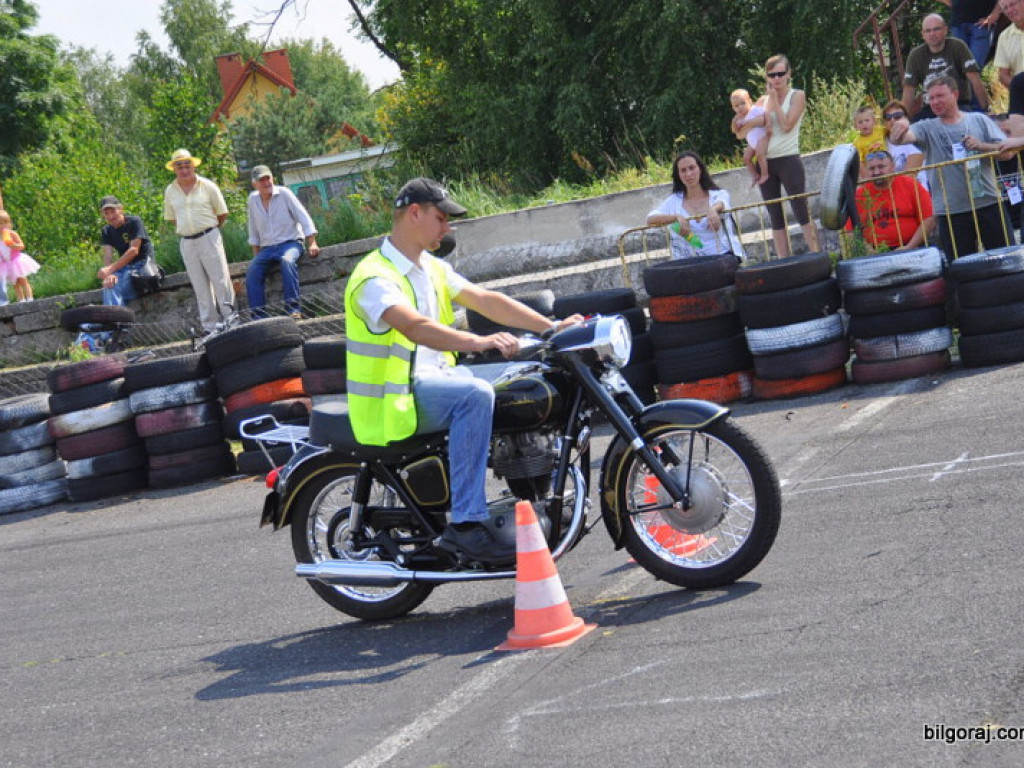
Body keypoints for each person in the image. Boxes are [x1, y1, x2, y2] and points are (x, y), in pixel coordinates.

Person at [344, 177, 582, 565]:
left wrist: (550, 327)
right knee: (475, 398)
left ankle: (533, 491)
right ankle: (468, 525)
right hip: (395, 401)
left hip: (435, 381)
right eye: (441, 218)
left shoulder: (430, 268)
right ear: (414, 214)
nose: (447, 227)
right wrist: (478, 342)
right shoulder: (374, 276)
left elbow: (486, 300)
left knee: (522, 380)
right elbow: (414, 326)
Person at [889, 75, 1012, 261]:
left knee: (1007, 261)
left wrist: (981, 146)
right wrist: (902, 125)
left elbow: (1007, 153)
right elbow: (902, 139)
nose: (935, 102)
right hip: (951, 211)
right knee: (960, 269)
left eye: (940, 96)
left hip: (989, 203)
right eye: (931, 98)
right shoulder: (926, 127)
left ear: (955, 94)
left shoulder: (979, 120)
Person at [162, 148, 236, 336]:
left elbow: (222, 213)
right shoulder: (170, 191)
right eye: (179, 166)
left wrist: (207, 229)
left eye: (187, 165)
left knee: (221, 280)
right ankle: (210, 327)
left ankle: (232, 321)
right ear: (174, 169)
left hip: (209, 236)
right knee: (199, 285)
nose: (184, 169)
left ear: (193, 166)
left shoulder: (208, 185)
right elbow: (172, 218)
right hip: (187, 242)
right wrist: (190, 229)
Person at [758, 54, 821, 259]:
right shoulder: (761, 100)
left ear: (788, 74)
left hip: (788, 157)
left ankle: (816, 255)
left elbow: (786, 125)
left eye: (780, 74)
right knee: (774, 215)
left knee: (800, 209)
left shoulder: (797, 96)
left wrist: (775, 102)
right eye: (772, 75)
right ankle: (783, 261)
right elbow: (747, 131)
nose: (776, 79)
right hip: (766, 161)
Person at [245, 165, 320, 320]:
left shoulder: (284, 194)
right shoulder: (252, 200)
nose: (266, 182)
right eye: (262, 180)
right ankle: (258, 317)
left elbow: (303, 217)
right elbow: (253, 229)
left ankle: (293, 310)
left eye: (268, 178)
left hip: (291, 243)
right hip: (267, 249)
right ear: (255, 184)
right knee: (252, 270)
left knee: (287, 261)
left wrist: (312, 242)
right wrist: (256, 257)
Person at [646, 151, 744, 260]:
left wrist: (713, 210)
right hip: (691, 262)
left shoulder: (717, 195)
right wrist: (675, 218)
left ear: (700, 169)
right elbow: (651, 219)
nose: (688, 174)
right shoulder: (674, 201)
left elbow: (723, 202)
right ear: (678, 175)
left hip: (724, 256)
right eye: (683, 170)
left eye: (692, 168)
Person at [902, 14, 990, 120]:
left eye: (936, 29)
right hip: (930, 109)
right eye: (928, 31)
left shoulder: (957, 46)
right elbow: (909, 91)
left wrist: (986, 110)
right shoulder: (916, 55)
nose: (932, 34)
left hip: (958, 106)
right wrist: (903, 119)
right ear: (923, 34)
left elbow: (975, 80)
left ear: (945, 30)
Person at [847, 150, 936, 251]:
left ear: (892, 167)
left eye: (881, 167)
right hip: (875, 253)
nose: (876, 172)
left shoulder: (910, 185)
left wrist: (910, 246)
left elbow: (929, 218)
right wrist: (868, 251)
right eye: (872, 168)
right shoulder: (859, 195)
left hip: (913, 247)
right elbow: (850, 231)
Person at [97, 196, 155, 306]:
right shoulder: (106, 231)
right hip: (125, 268)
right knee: (110, 283)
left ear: (121, 209)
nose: (110, 216)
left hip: (142, 266)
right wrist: (109, 275)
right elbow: (107, 255)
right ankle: (115, 319)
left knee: (117, 287)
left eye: (113, 211)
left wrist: (110, 269)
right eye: (106, 213)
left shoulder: (134, 222)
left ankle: (114, 318)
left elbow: (134, 250)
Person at [939, 0, 1002, 69]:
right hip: (958, 25)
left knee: (974, 67)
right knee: (957, 66)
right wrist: (953, 3)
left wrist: (995, 14)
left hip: (981, 25)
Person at [730, 88, 771, 186]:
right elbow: (734, 131)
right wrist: (735, 123)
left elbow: (765, 114)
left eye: (743, 103)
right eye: (736, 106)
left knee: (760, 155)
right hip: (752, 143)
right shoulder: (738, 118)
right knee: (746, 158)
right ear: (733, 108)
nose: (740, 107)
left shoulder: (755, 110)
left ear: (750, 102)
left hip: (762, 138)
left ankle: (765, 174)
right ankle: (754, 175)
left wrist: (767, 123)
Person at [881, 100, 927, 185]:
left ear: (906, 118)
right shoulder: (881, 142)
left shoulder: (915, 138)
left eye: (897, 116)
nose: (892, 120)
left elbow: (909, 175)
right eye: (888, 117)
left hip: (915, 191)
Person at [0, 209, 39, 301]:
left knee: (23, 280)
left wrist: (13, 245)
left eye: (5, 223)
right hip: (6, 262)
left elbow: (22, 246)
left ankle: (29, 298)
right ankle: (21, 300)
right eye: (0, 224)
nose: (3, 226)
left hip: (16, 260)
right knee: (15, 283)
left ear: (9, 224)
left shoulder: (12, 234)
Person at [994, 0, 1024, 113]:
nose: (1010, 10)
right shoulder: (1004, 37)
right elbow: (1003, 75)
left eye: (1012, 4)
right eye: (1005, 8)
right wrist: (1019, 88)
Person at [852, 105, 887, 178]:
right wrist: (867, 177)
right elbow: (860, 162)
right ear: (855, 126)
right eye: (860, 122)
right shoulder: (857, 142)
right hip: (872, 169)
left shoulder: (880, 130)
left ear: (874, 121)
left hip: (885, 164)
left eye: (867, 120)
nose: (864, 124)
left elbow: (892, 130)